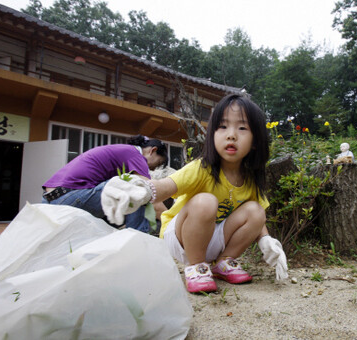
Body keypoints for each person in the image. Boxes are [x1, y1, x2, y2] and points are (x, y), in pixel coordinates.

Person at [103, 94, 287, 294]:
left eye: (242, 128)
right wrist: (143, 189)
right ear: (213, 134)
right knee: (205, 202)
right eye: (223, 127)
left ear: (255, 141)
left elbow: (257, 220)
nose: (231, 135)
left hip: (213, 239)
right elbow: (166, 186)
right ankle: (196, 267)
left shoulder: (250, 179)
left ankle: (223, 263)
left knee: (256, 211)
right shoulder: (202, 168)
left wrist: (266, 240)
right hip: (180, 237)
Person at [41, 135, 168, 233]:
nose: (152, 170)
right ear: (153, 151)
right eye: (157, 164)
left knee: (119, 195)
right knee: (136, 186)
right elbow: (152, 193)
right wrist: (171, 221)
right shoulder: (136, 156)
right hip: (69, 197)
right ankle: (138, 237)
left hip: (50, 199)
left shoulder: (123, 151)